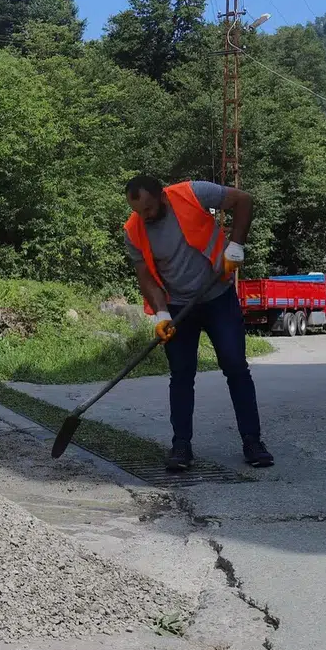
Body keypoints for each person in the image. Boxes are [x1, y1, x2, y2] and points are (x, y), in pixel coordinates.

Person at [124, 174, 273, 472]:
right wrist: (162, 314)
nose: (146, 216)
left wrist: (236, 246)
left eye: (150, 209)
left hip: (217, 295)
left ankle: (253, 442)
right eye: (139, 211)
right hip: (179, 306)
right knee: (181, 375)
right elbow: (146, 279)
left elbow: (243, 200)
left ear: (163, 197)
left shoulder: (192, 193)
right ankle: (181, 447)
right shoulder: (133, 230)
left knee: (235, 366)